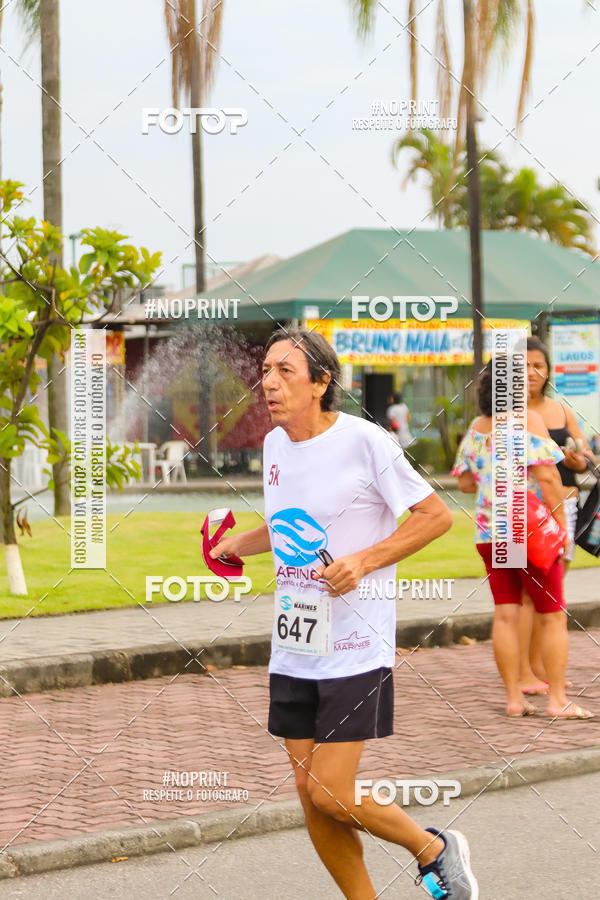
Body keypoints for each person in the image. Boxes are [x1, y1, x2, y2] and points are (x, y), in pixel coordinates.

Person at [211, 329, 479, 900]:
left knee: (332, 791)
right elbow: (290, 527)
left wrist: (363, 560)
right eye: (265, 370)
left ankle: (435, 849)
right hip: (297, 641)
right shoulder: (276, 446)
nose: (270, 382)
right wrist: (239, 546)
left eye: (286, 371)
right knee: (309, 794)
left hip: (357, 642)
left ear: (321, 382)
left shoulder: (366, 442)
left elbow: (435, 516)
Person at [452, 359, 594, 720]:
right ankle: (557, 700)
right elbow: (547, 479)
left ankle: (515, 699)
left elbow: (466, 483)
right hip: (530, 532)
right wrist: (561, 525)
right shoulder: (528, 420)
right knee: (552, 615)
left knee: (505, 614)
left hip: (490, 532)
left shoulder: (478, 427)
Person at [519, 336, 595, 695]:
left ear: (548, 370)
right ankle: (523, 671)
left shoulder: (561, 411)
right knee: (525, 594)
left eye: (539, 365)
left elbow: (584, 457)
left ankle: (539, 665)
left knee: (551, 594)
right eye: (525, 365)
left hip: (565, 507)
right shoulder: (507, 412)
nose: (532, 372)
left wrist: (578, 460)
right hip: (527, 510)